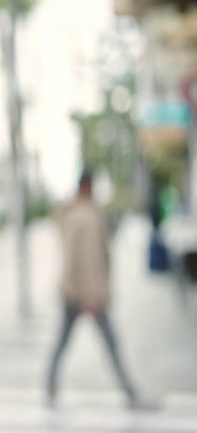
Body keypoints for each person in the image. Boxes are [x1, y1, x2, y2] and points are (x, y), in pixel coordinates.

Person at [45, 168, 145, 409]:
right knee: (110, 343)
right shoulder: (88, 217)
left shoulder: (72, 214)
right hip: (88, 293)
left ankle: (50, 386)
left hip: (72, 290)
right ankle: (130, 393)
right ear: (88, 187)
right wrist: (92, 295)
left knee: (64, 342)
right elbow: (90, 259)